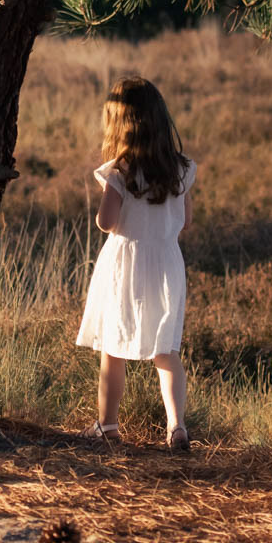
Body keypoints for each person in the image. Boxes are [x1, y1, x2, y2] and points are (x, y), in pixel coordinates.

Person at [74, 76, 195, 450]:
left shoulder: (120, 171)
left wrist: (110, 193)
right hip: (166, 263)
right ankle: (176, 426)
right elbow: (186, 221)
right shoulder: (180, 169)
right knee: (166, 350)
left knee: (113, 348)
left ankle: (108, 426)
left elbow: (106, 223)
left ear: (118, 125)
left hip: (124, 266)